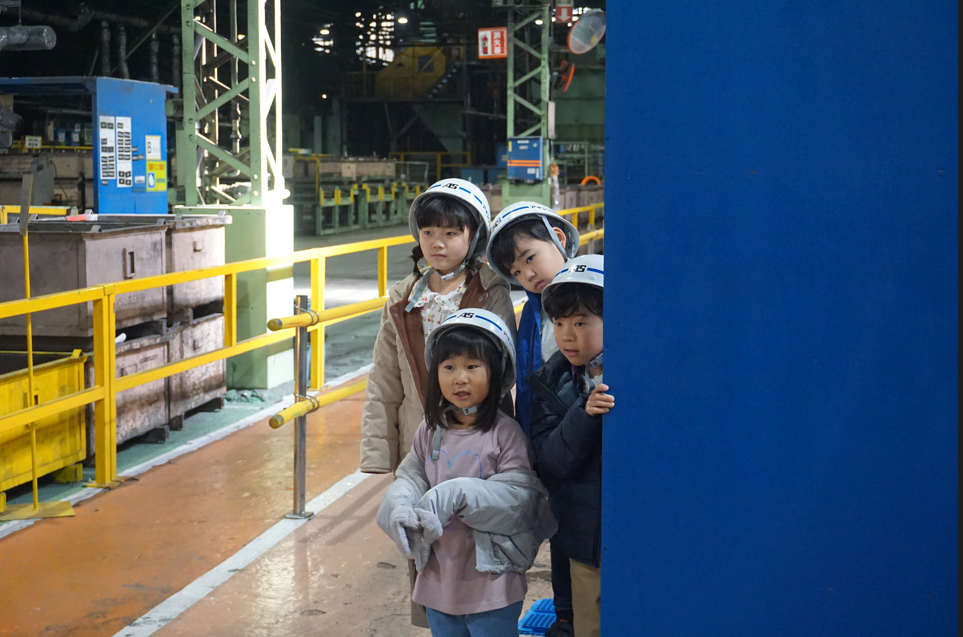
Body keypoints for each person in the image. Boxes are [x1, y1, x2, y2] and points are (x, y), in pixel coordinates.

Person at [377, 309, 557, 637]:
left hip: (492, 582)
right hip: (438, 581)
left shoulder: (506, 434)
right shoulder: (430, 429)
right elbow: (412, 476)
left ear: (496, 372)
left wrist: (459, 494)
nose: (460, 378)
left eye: (473, 366)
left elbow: (520, 502)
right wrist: (399, 505)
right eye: (449, 367)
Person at [360, 178, 516, 476]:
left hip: (478, 444)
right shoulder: (402, 298)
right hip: (415, 441)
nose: (437, 243)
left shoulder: (490, 292)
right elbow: (384, 377)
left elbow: (502, 371)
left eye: (451, 233)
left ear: (474, 236)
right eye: (428, 232)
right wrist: (377, 454)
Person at [486, 200, 580, 636]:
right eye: (517, 271)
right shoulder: (532, 314)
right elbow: (526, 386)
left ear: (558, 238)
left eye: (530, 258)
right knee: (561, 533)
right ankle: (566, 617)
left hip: (589, 436)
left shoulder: (596, 294)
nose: (528, 274)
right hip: (551, 446)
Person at [528, 255, 611, 637]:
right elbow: (550, 461)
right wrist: (584, 412)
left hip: (641, 538)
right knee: (589, 625)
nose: (567, 335)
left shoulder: (645, 375)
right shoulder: (552, 382)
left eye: (581, 323)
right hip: (582, 541)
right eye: (559, 323)